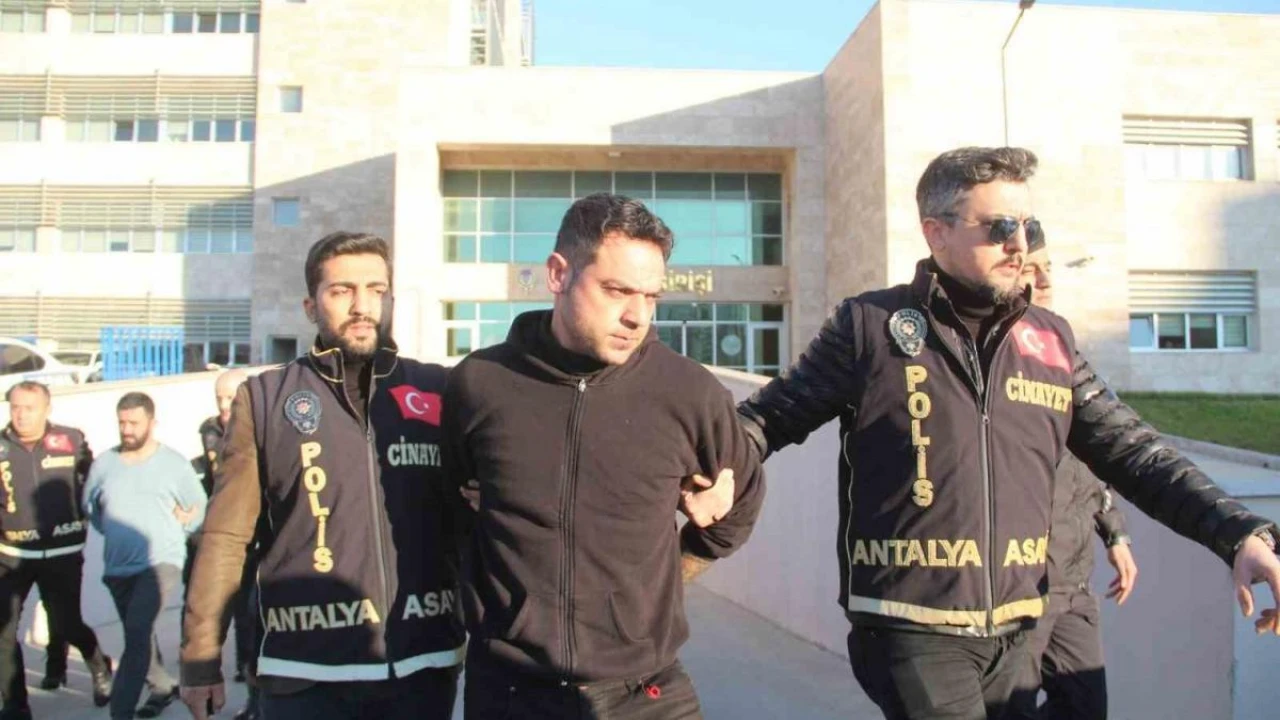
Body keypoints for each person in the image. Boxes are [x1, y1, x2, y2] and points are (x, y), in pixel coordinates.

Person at [730, 146, 1280, 720]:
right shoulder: (869, 326)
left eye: (1028, 226)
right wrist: (710, 473)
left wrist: (1239, 534)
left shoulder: (1051, 340)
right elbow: (767, 419)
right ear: (937, 233)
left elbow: (1136, 452)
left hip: (1019, 627)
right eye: (999, 228)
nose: (1020, 244)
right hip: (911, 626)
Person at [443, 193, 766, 719]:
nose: (637, 316)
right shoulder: (480, 384)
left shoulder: (688, 392)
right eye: (616, 291)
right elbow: (448, 508)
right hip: (509, 693)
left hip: (648, 695)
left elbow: (741, 502)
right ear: (558, 274)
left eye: (651, 296)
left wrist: (666, 577)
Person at [180, 231, 464, 720]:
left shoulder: (438, 388)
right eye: (341, 291)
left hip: (423, 664)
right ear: (311, 307)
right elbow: (227, 537)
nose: (362, 306)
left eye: (376, 289)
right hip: (305, 672)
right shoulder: (264, 399)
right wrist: (200, 656)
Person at [1019, 244, 1137, 720]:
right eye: (1032, 269)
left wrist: (1115, 532)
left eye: (1048, 268)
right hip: (1018, 584)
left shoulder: (1064, 357)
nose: (1046, 281)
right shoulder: (995, 365)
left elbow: (1094, 455)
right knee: (1005, 708)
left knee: (1085, 708)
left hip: (1072, 579)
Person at [84, 392, 206, 720]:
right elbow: (92, 509)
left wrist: (185, 522)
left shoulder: (173, 464)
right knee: (138, 633)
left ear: (152, 423)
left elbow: (198, 506)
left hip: (160, 563)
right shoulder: (104, 464)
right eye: (122, 423)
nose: (127, 430)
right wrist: (115, 531)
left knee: (137, 632)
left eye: (134, 423)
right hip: (117, 567)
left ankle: (120, 712)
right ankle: (163, 686)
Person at [0, 383, 113, 719]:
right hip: (11, 554)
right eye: (15, 407)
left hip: (63, 552)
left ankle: (98, 663)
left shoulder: (71, 440)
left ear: (47, 409)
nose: (21, 414)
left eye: (29, 407)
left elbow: (97, 486)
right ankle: (15, 706)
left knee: (66, 624)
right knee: (3, 631)